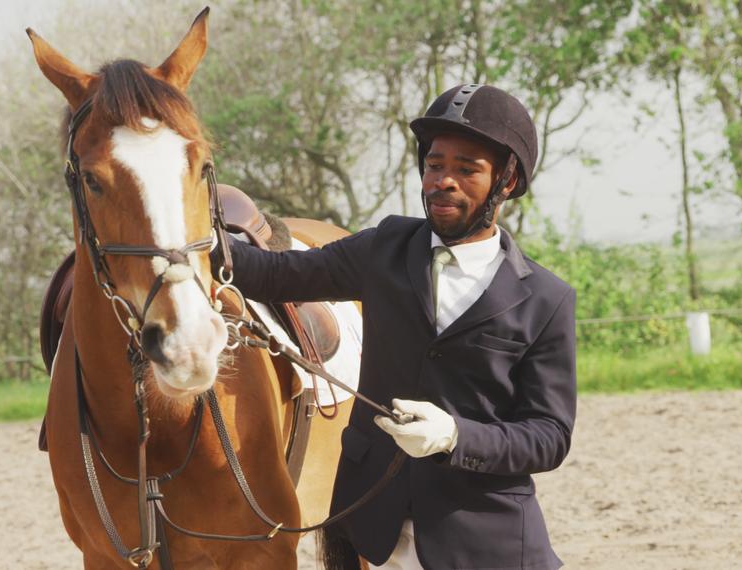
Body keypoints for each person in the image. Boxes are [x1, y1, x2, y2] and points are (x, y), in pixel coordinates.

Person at [213, 84, 576, 569]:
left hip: (482, 538)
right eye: (434, 165)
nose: (443, 181)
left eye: (466, 169)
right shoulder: (384, 247)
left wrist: (454, 436)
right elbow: (275, 275)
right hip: (372, 525)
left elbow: (548, 435)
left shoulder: (547, 300)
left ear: (506, 182)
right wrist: (187, 237)